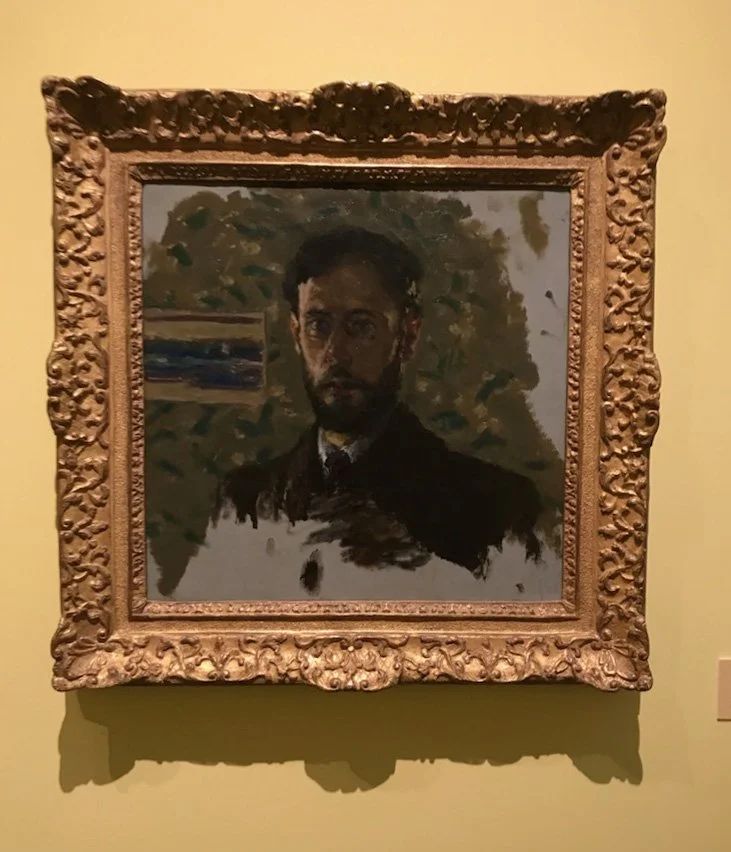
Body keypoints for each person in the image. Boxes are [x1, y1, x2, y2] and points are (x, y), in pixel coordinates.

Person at [215, 226, 542, 594]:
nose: (336, 353)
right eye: (318, 325)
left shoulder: (495, 507)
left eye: (361, 326)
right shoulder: (244, 501)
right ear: (295, 333)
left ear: (408, 336)